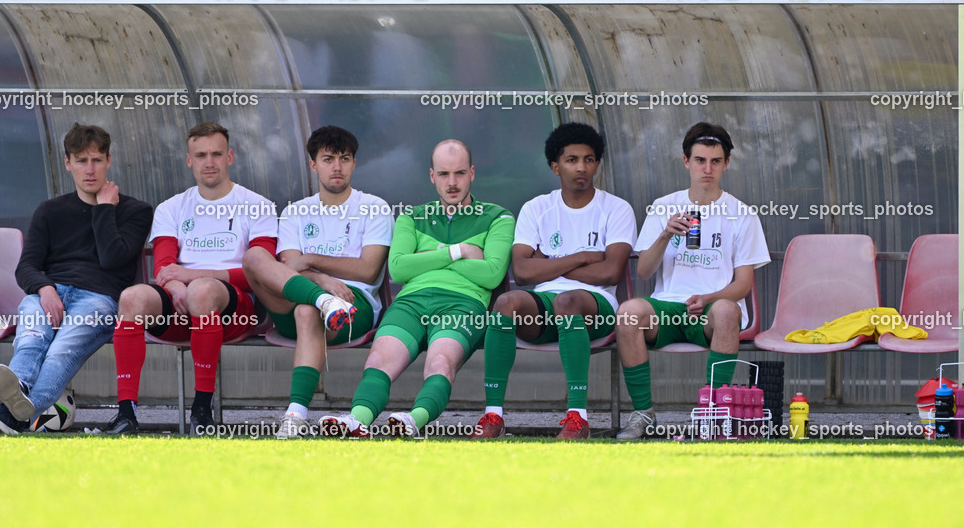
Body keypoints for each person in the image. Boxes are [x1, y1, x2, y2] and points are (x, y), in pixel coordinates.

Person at [111, 122, 309, 435]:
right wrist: (174, 283)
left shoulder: (257, 206)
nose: (209, 162)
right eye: (201, 155)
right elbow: (164, 265)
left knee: (202, 291)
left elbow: (260, 273)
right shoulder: (172, 207)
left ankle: (202, 410)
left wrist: (191, 276)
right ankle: (126, 414)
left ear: (230, 157)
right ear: (189, 160)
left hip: (234, 310)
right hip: (178, 309)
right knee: (131, 298)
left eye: (216, 154)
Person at [319, 139, 514, 438]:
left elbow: (490, 274)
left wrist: (426, 259)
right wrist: (457, 251)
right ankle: (357, 420)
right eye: (444, 174)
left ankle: (414, 420)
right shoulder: (412, 215)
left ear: (472, 173)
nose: (452, 183)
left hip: (462, 303)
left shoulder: (498, 217)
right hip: (411, 302)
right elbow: (397, 268)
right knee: (378, 360)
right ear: (432, 176)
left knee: (440, 362)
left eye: (460, 173)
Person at [0, 123, 153, 434]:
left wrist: (104, 209)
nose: (90, 169)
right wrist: (45, 289)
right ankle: (17, 408)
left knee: (60, 351)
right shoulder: (50, 210)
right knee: (31, 339)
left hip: (100, 300)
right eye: (81, 160)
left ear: (109, 160)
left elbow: (112, 258)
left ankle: (12, 412)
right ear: (68, 163)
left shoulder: (135, 211)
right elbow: (26, 266)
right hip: (50, 294)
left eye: (97, 160)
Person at [473, 123, 636, 440]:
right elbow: (521, 272)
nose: (581, 168)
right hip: (544, 308)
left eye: (589, 160)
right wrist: (580, 257)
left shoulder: (616, 209)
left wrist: (547, 263)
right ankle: (493, 416)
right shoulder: (537, 208)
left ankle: (578, 418)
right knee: (506, 302)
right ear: (554, 166)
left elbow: (610, 272)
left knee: (567, 300)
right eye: (572, 159)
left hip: (595, 306)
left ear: (597, 165)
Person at [615, 122, 770, 440]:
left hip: (712, 312)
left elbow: (743, 284)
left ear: (726, 163)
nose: (707, 169)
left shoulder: (741, 213)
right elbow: (644, 271)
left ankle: (714, 415)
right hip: (668, 306)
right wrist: (665, 234)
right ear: (686, 161)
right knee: (628, 312)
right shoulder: (664, 206)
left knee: (729, 310)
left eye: (715, 161)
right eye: (700, 160)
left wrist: (709, 298)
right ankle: (642, 414)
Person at [243, 126, 393, 439]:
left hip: (353, 305)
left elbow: (367, 271)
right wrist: (323, 283)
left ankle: (295, 416)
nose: (336, 166)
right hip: (305, 297)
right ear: (314, 165)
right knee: (255, 258)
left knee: (306, 312)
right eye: (328, 159)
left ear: (354, 163)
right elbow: (286, 269)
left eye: (344, 158)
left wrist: (311, 260)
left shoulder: (374, 207)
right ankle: (322, 300)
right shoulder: (296, 212)